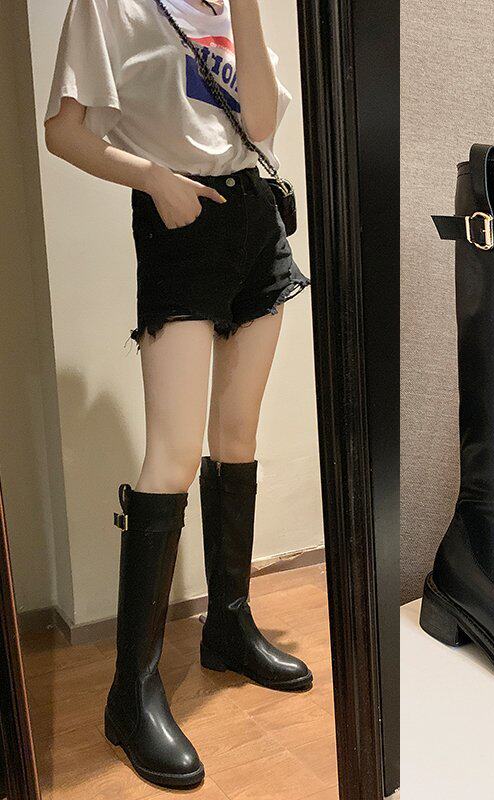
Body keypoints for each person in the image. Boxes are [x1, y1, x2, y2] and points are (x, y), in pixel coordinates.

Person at [45, 0, 311, 788]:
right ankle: (131, 695)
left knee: (238, 438)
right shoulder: (110, 4)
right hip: (179, 222)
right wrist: (151, 177)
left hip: (256, 218)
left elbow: (259, 123)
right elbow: (63, 131)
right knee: (172, 458)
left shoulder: (229, 6)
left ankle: (228, 626)